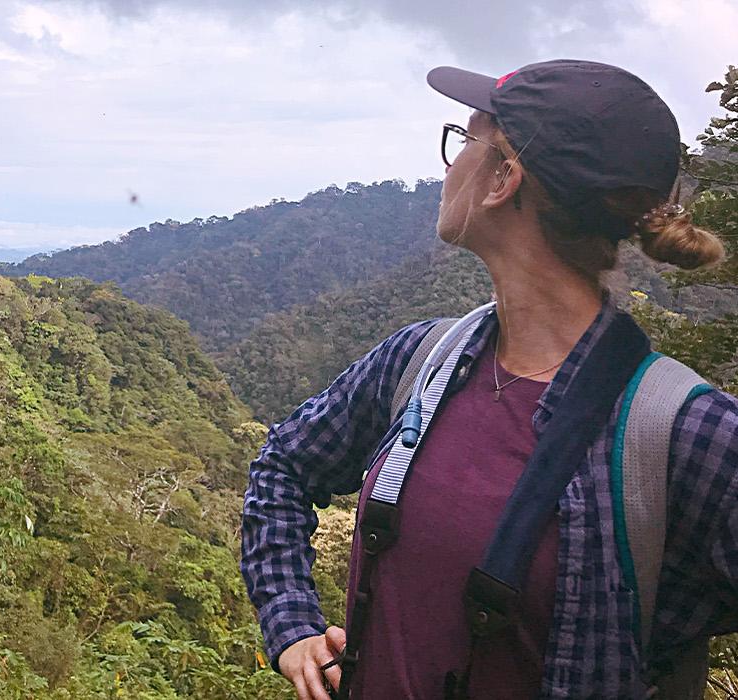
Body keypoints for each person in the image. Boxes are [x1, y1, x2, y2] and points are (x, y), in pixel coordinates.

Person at [239, 59, 738, 700]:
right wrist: (292, 625)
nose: (449, 166)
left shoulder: (684, 436)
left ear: (504, 178)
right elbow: (283, 466)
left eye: (465, 138)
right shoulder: (420, 360)